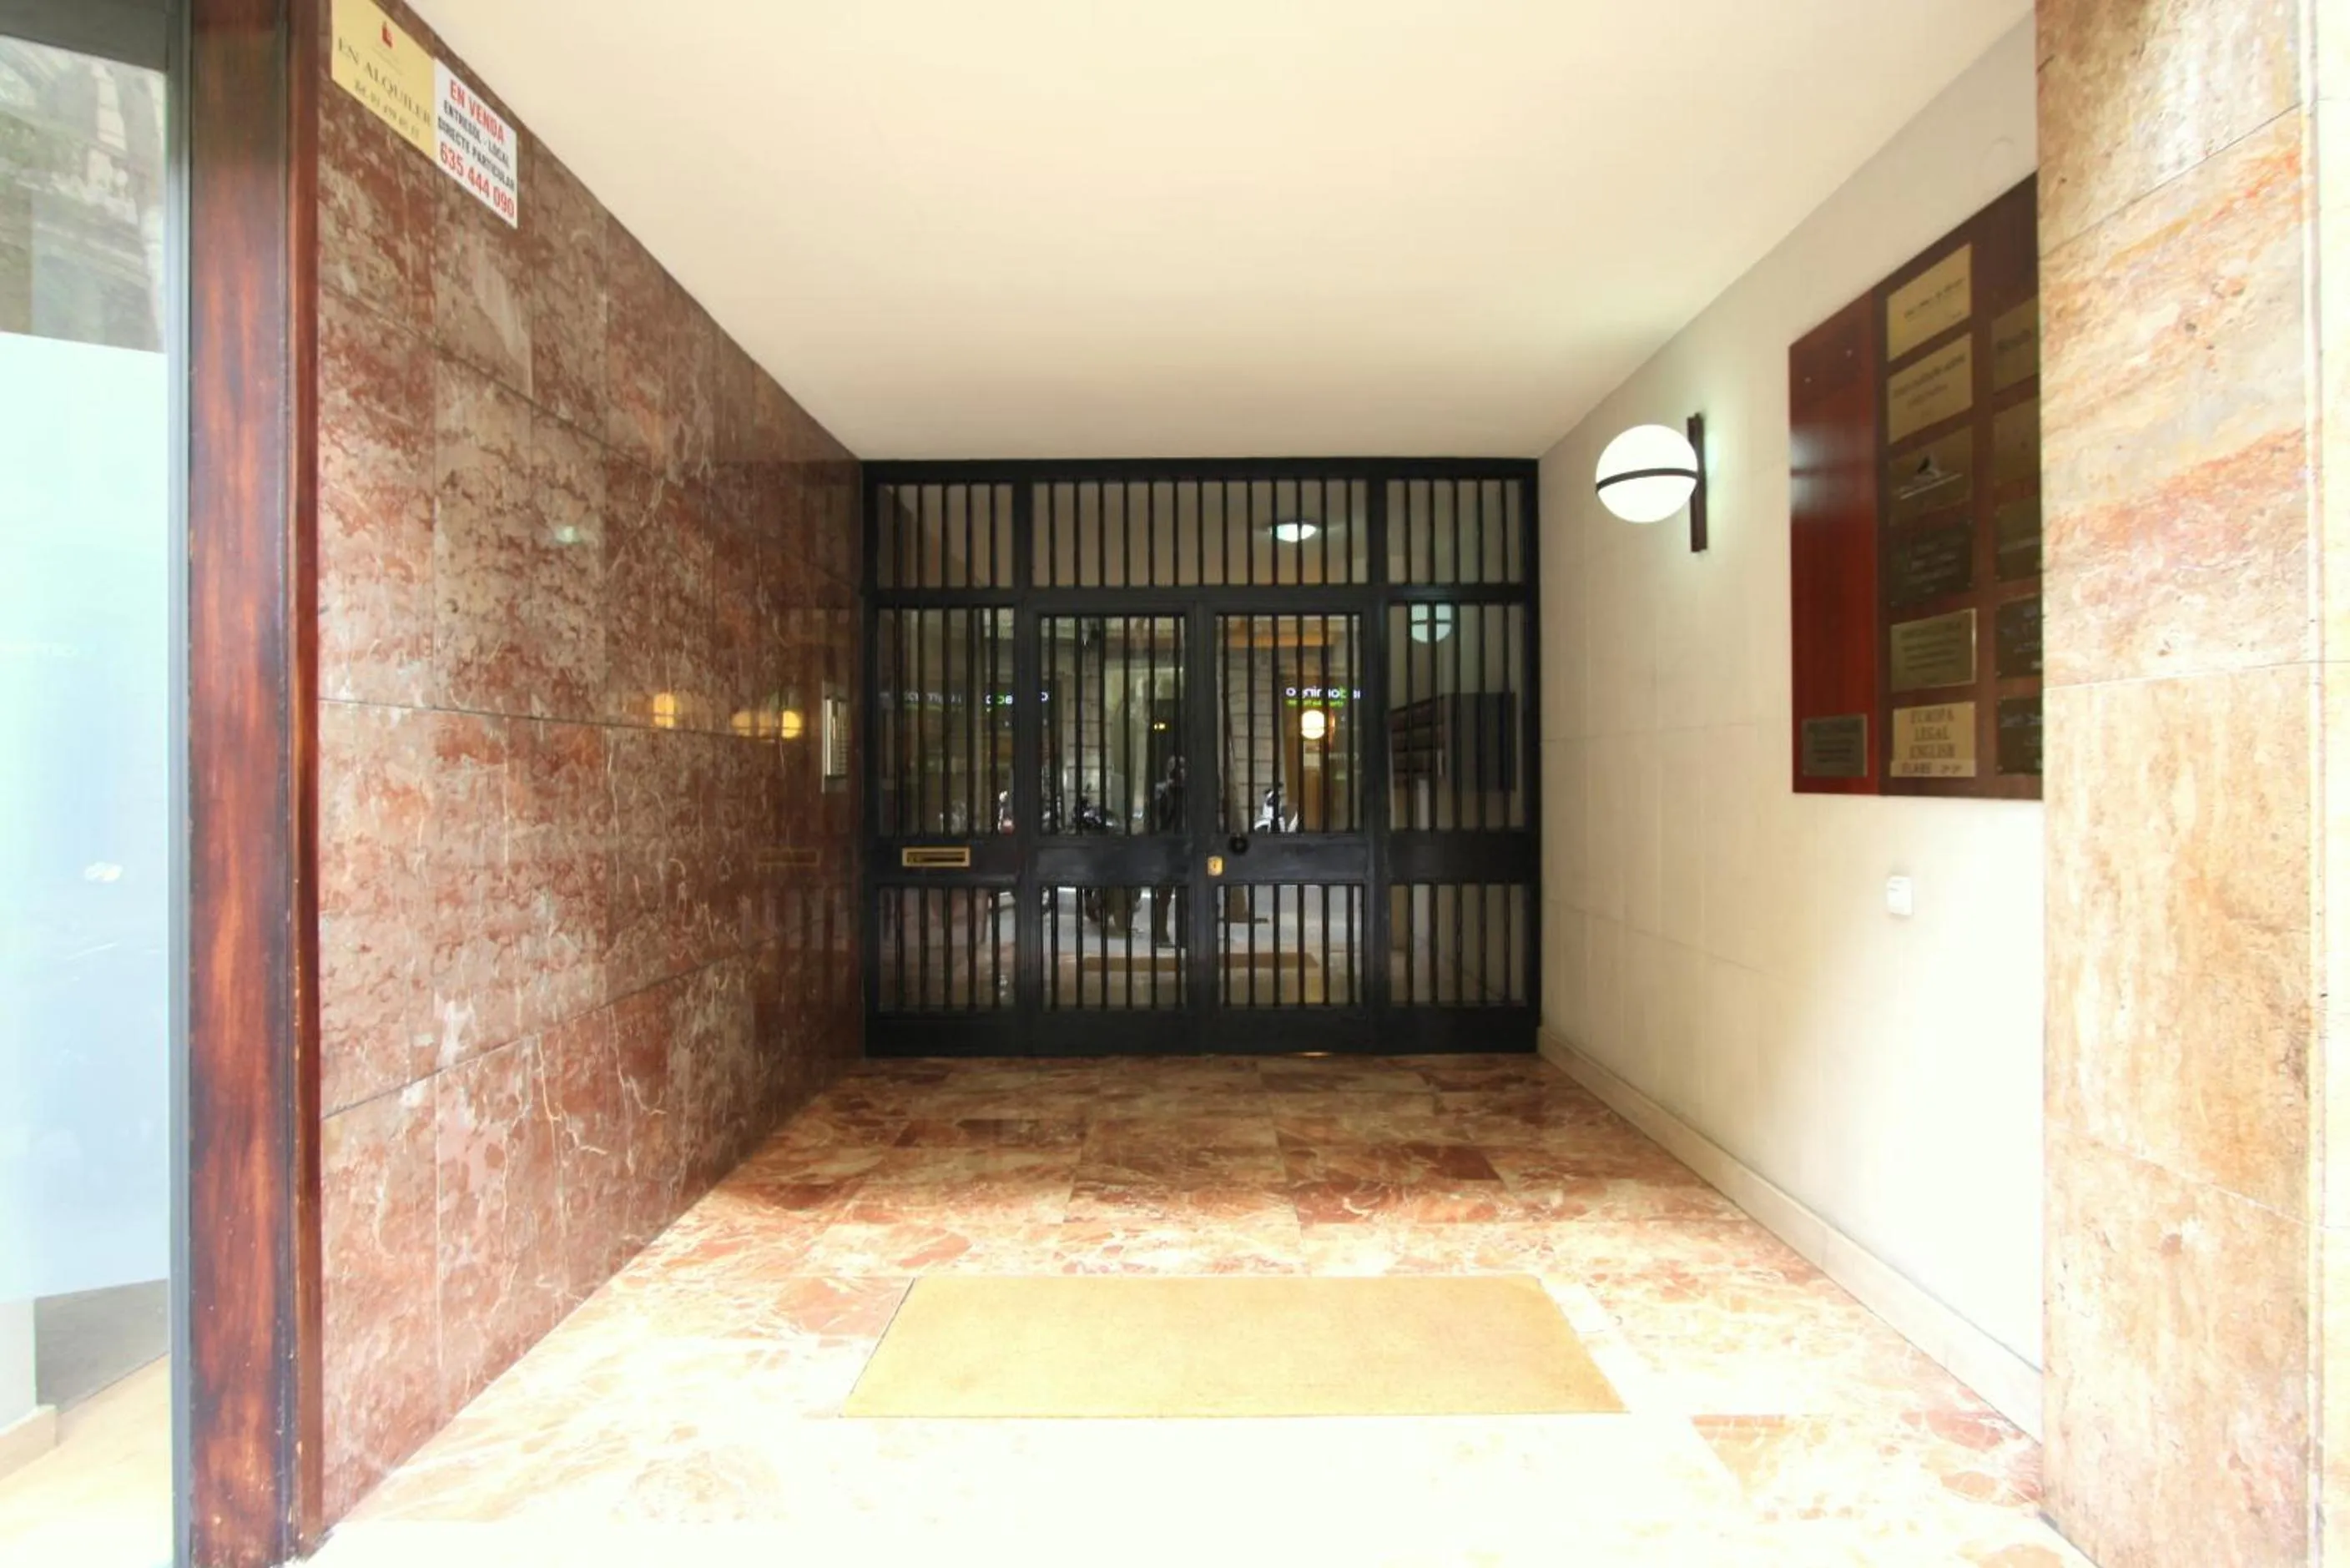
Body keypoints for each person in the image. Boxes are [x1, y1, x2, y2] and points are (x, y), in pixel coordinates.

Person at [1150, 754, 1186, 947]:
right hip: (1167, 849)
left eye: (1181, 768)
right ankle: (1160, 935)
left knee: (1186, 893)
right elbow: (1159, 817)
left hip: (1185, 846)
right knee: (1164, 895)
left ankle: (1185, 935)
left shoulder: (1188, 792)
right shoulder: (1162, 791)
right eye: (1176, 769)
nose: (1179, 773)